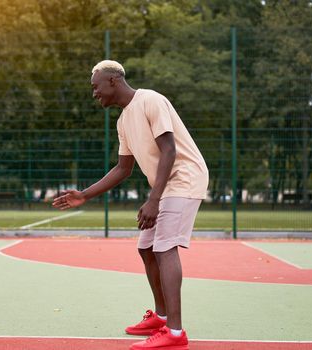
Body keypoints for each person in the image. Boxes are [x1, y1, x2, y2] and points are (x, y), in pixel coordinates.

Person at [52, 60, 208, 350]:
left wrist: (154, 199)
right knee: (146, 247)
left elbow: (170, 150)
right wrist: (85, 195)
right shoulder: (123, 121)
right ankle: (161, 317)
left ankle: (175, 333)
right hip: (166, 185)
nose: (94, 93)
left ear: (112, 80)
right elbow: (123, 168)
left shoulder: (151, 100)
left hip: (185, 177)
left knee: (164, 246)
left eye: (95, 86)